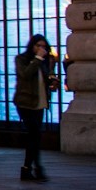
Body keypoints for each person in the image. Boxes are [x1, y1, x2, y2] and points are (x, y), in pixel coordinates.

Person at [14, 35, 63, 182]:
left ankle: (31, 169)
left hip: (41, 101)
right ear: (32, 46)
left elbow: (46, 78)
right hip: (26, 102)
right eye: (38, 46)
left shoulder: (46, 61)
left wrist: (53, 83)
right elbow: (25, 75)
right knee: (34, 134)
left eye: (43, 46)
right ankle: (32, 168)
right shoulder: (22, 59)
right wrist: (38, 59)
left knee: (35, 136)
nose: (41, 49)